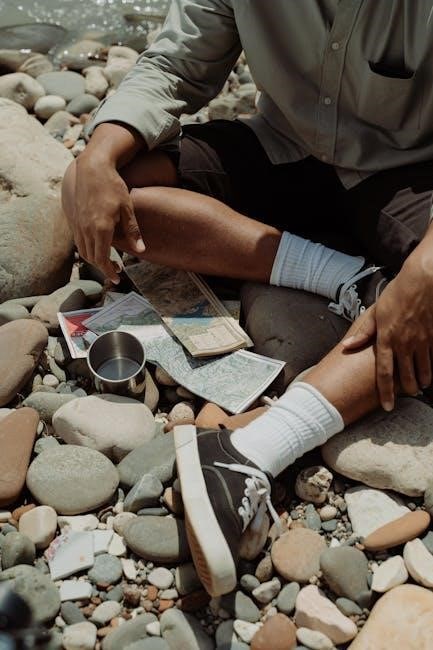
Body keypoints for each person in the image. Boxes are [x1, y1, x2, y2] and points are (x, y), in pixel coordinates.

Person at [62, 0, 433, 596]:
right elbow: (176, 64)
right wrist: (99, 154)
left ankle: (250, 451)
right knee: (97, 189)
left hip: (406, 174)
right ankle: (348, 279)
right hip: (285, 147)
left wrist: (427, 270)